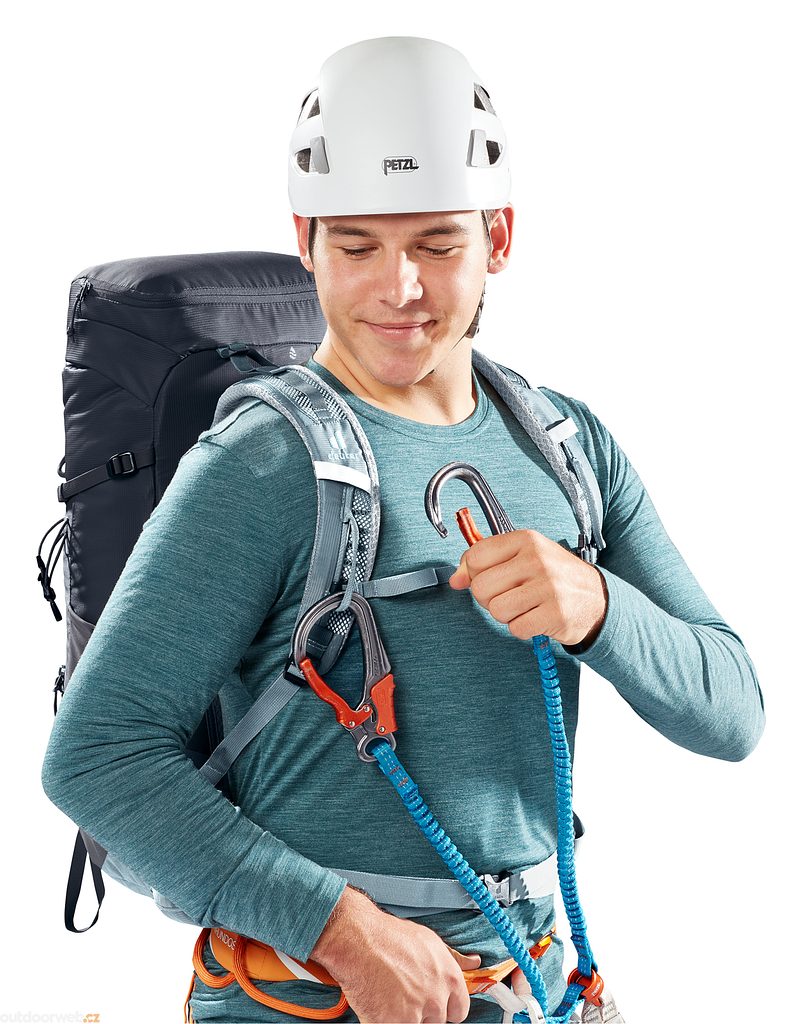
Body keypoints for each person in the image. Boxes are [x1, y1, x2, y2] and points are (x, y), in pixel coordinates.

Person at [41, 36, 765, 1024]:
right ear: (305, 240)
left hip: (528, 982)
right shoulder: (262, 464)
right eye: (356, 247)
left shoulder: (567, 445)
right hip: (311, 997)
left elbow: (732, 713)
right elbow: (95, 757)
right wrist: (343, 931)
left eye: (436, 244)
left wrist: (598, 608)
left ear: (498, 237)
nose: (399, 287)